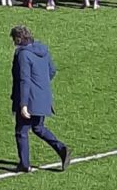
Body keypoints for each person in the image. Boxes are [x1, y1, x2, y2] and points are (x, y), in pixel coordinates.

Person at [9, 25, 71, 173]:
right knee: (38, 127)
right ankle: (61, 149)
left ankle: (24, 164)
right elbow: (52, 70)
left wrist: (23, 104)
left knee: (21, 131)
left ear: (18, 39)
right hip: (43, 97)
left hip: (29, 98)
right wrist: (41, 85)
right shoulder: (42, 49)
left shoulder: (23, 55)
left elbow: (24, 80)